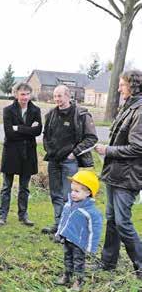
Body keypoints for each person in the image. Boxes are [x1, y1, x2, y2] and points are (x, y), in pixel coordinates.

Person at [95, 70, 142, 278]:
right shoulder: (129, 106)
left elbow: (137, 148)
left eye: (122, 84)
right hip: (115, 173)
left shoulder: (140, 110)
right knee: (112, 219)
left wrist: (108, 150)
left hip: (128, 177)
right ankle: (108, 262)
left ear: (132, 86)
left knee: (123, 222)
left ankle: (140, 265)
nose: (118, 88)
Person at [42, 85, 98, 235]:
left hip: (69, 161)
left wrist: (74, 154)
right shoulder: (50, 114)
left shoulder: (81, 114)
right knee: (55, 193)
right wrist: (49, 150)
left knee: (70, 195)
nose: (57, 99)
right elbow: (46, 136)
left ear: (68, 96)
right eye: (55, 96)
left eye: (60, 96)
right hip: (54, 160)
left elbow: (91, 138)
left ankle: (67, 229)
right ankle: (58, 223)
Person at [0, 83, 42, 226]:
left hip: (28, 153)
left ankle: (23, 215)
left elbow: (38, 131)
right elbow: (9, 133)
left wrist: (19, 128)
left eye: (27, 94)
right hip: (11, 152)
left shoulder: (36, 110)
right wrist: (28, 130)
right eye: (22, 94)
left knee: (25, 187)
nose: (25, 97)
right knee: (6, 187)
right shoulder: (8, 110)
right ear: (16, 95)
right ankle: (2, 216)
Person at [54, 170, 102, 291]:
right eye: (72, 190)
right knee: (67, 258)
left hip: (79, 243)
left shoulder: (91, 212)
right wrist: (59, 233)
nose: (73, 194)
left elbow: (95, 231)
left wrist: (91, 247)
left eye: (77, 191)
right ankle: (67, 275)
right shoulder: (68, 205)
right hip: (67, 239)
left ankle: (79, 280)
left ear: (88, 193)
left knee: (78, 261)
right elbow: (63, 221)